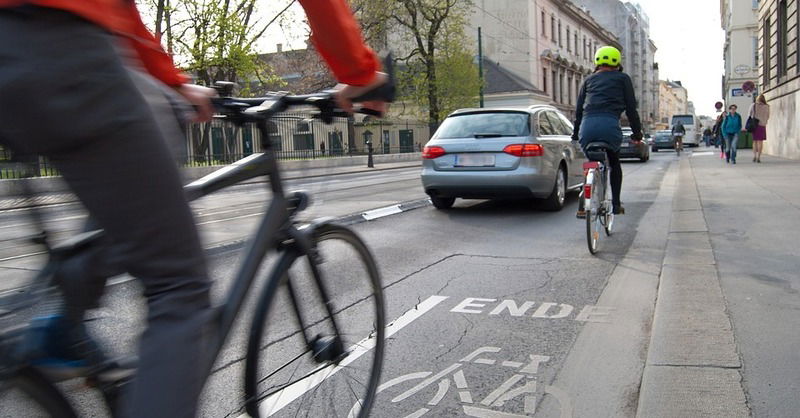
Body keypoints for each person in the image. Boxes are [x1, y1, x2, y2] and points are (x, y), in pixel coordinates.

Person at [0, 0, 388, 417]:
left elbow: (121, 14)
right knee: (180, 288)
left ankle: (65, 324)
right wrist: (361, 74)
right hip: (63, 51)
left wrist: (175, 83)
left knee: (158, 137)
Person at [573, 45, 643, 216]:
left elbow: (579, 110)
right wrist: (637, 134)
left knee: (590, 162)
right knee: (614, 162)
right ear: (617, 62)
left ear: (597, 62)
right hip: (610, 126)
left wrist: (575, 134)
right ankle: (617, 204)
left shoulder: (588, 80)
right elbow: (631, 110)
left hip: (587, 128)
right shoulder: (623, 78)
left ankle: (584, 203)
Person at [748, 94, 770, 163]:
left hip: (755, 125)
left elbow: (749, 114)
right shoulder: (767, 106)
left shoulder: (753, 105)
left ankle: (754, 155)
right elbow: (768, 116)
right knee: (760, 142)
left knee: (754, 141)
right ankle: (759, 157)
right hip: (762, 125)